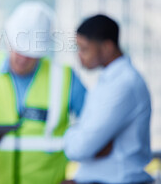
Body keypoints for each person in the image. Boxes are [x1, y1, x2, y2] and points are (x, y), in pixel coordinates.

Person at [0, 1, 87, 184]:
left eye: (30, 53)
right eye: (18, 49)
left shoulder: (65, 78)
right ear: (8, 40)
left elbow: (97, 130)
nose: (22, 58)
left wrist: (82, 177)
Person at [63, 14, 153, 184]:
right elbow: (88, 143)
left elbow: (81, 148)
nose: (80, 56)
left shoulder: (124, 84)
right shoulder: (108, 81)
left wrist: (70, 134)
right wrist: (84, 136)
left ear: (107, 47)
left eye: (84, 49)